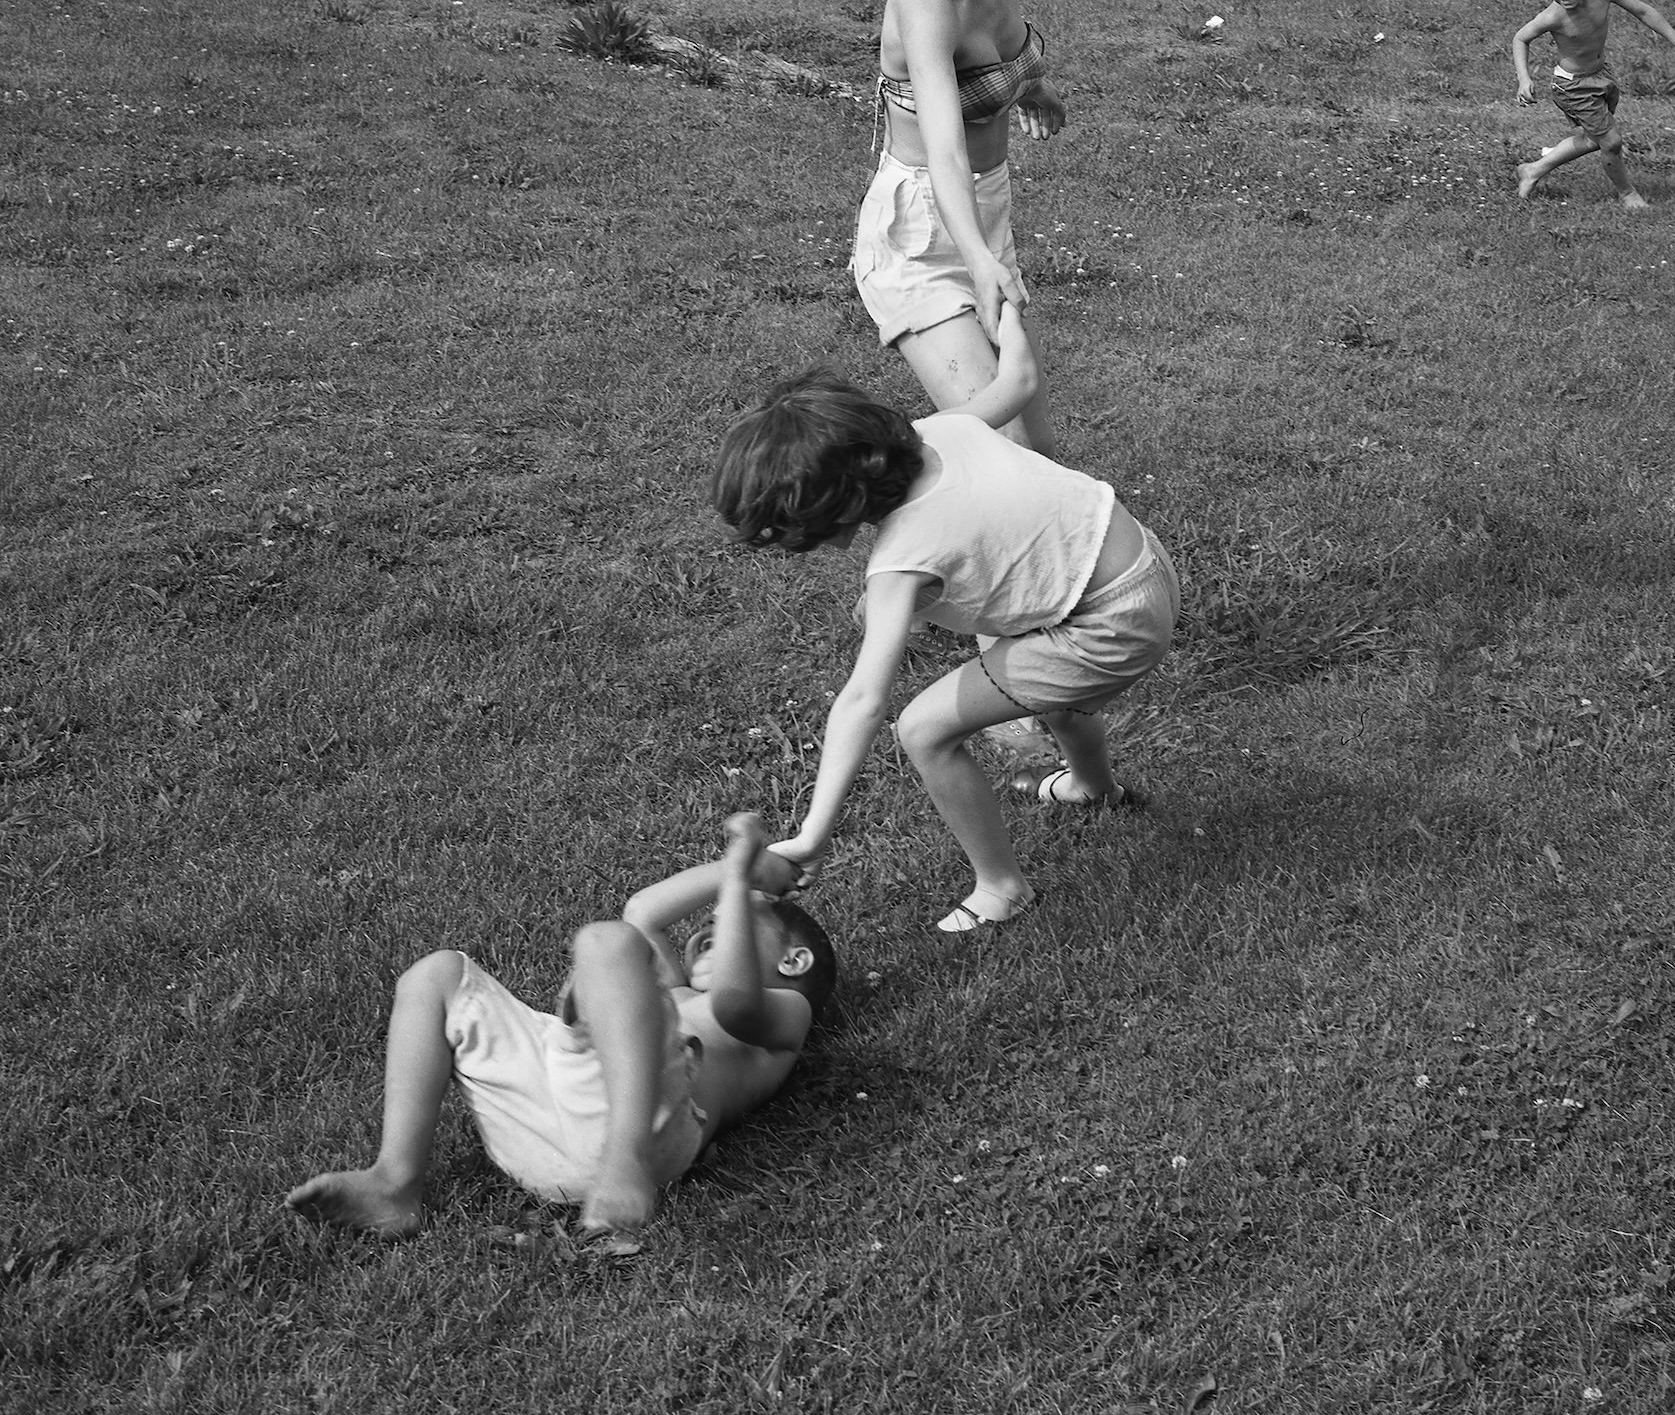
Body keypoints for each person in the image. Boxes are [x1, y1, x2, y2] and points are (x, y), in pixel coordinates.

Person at [710, 306, 1178, 936]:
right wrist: (1007, 309)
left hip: (1106, 629)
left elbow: (864, 699)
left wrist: (813, 830)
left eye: (805, 531)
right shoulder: (941, 431)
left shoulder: (902, 559)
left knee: (923, 730)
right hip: (1141, 564)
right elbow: (1018, 382)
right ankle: (1095, 791)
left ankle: (1002, 887)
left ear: (845, 501)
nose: (810, 544)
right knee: (1044, 684)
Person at [285, 813, 833, 1236]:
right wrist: (751, 871)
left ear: (794, 962)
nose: (711, 929)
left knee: (605, 943)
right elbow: (644, 909)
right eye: (714, 919)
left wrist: (739, 881)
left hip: (648, 1136)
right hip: (547, 1109)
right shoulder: (672, 993)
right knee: (437, 974)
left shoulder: (788, 1017)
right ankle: (395, 1182)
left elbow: (736, 1002)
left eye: (735, 923)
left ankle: (625, 1159)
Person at [852, 0, 1067, 459]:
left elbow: (1002, 49)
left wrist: (1032, 87)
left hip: (985, 207)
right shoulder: (927, 8)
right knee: (1003, 452)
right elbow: (944, 148)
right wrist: (976, 259)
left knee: (1035, 452)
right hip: (922, 230)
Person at [1511, 0, 1675, 209]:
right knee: (1610, 141)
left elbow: (1643, 11)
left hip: (1602, 76)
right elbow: (1520, 38)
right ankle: (1628, 195)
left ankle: (1533, 170)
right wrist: (1524, 79)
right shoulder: (1553, 16)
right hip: (1573, 86)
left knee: (1593, 138)